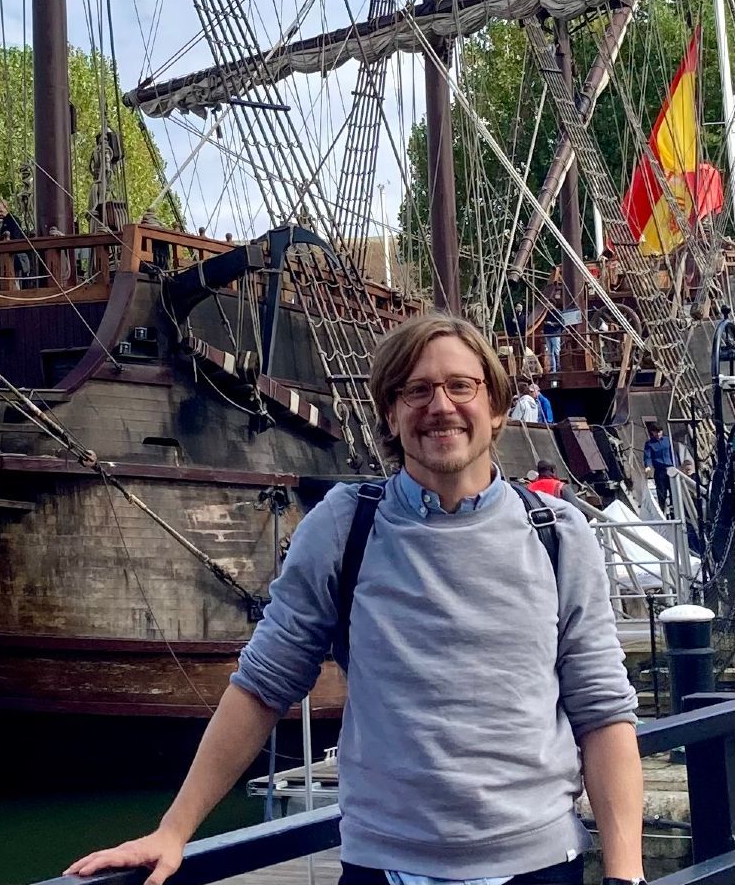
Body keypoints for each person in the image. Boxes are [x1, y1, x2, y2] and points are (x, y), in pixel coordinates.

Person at [66, 312, 642, 885]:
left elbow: (602, 711)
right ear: (390, 415)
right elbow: (264, 683)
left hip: (536, 864)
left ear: (494, 409)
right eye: (415, 390)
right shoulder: (345, 526)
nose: (440, 405)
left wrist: (625, 874)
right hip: (386, 867)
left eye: (461, 386)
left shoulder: (558, 535)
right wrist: (174, 829)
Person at [643, 421, 675, 511]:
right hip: (660, 470)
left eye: (659, 432)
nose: (658, 434)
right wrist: (647, 466)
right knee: (661, 492)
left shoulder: (667, 440)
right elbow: (647, 456)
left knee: (673, 490)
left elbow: (672, 453)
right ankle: (662, 510)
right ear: (652, 432)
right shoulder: (649, 444)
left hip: (671, 469)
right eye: (656, 432)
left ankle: (674, 509)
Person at [541, 300, 565, 375]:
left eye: (548, 303)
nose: (547, 304)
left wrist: (552, 324)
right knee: (549, 352)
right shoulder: (547, 312)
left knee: (556, 351)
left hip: (555, 333)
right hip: (548, 333)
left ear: (552, 304)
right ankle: (552, 367)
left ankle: (557, 367)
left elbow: (561, 323)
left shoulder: (557, 312)